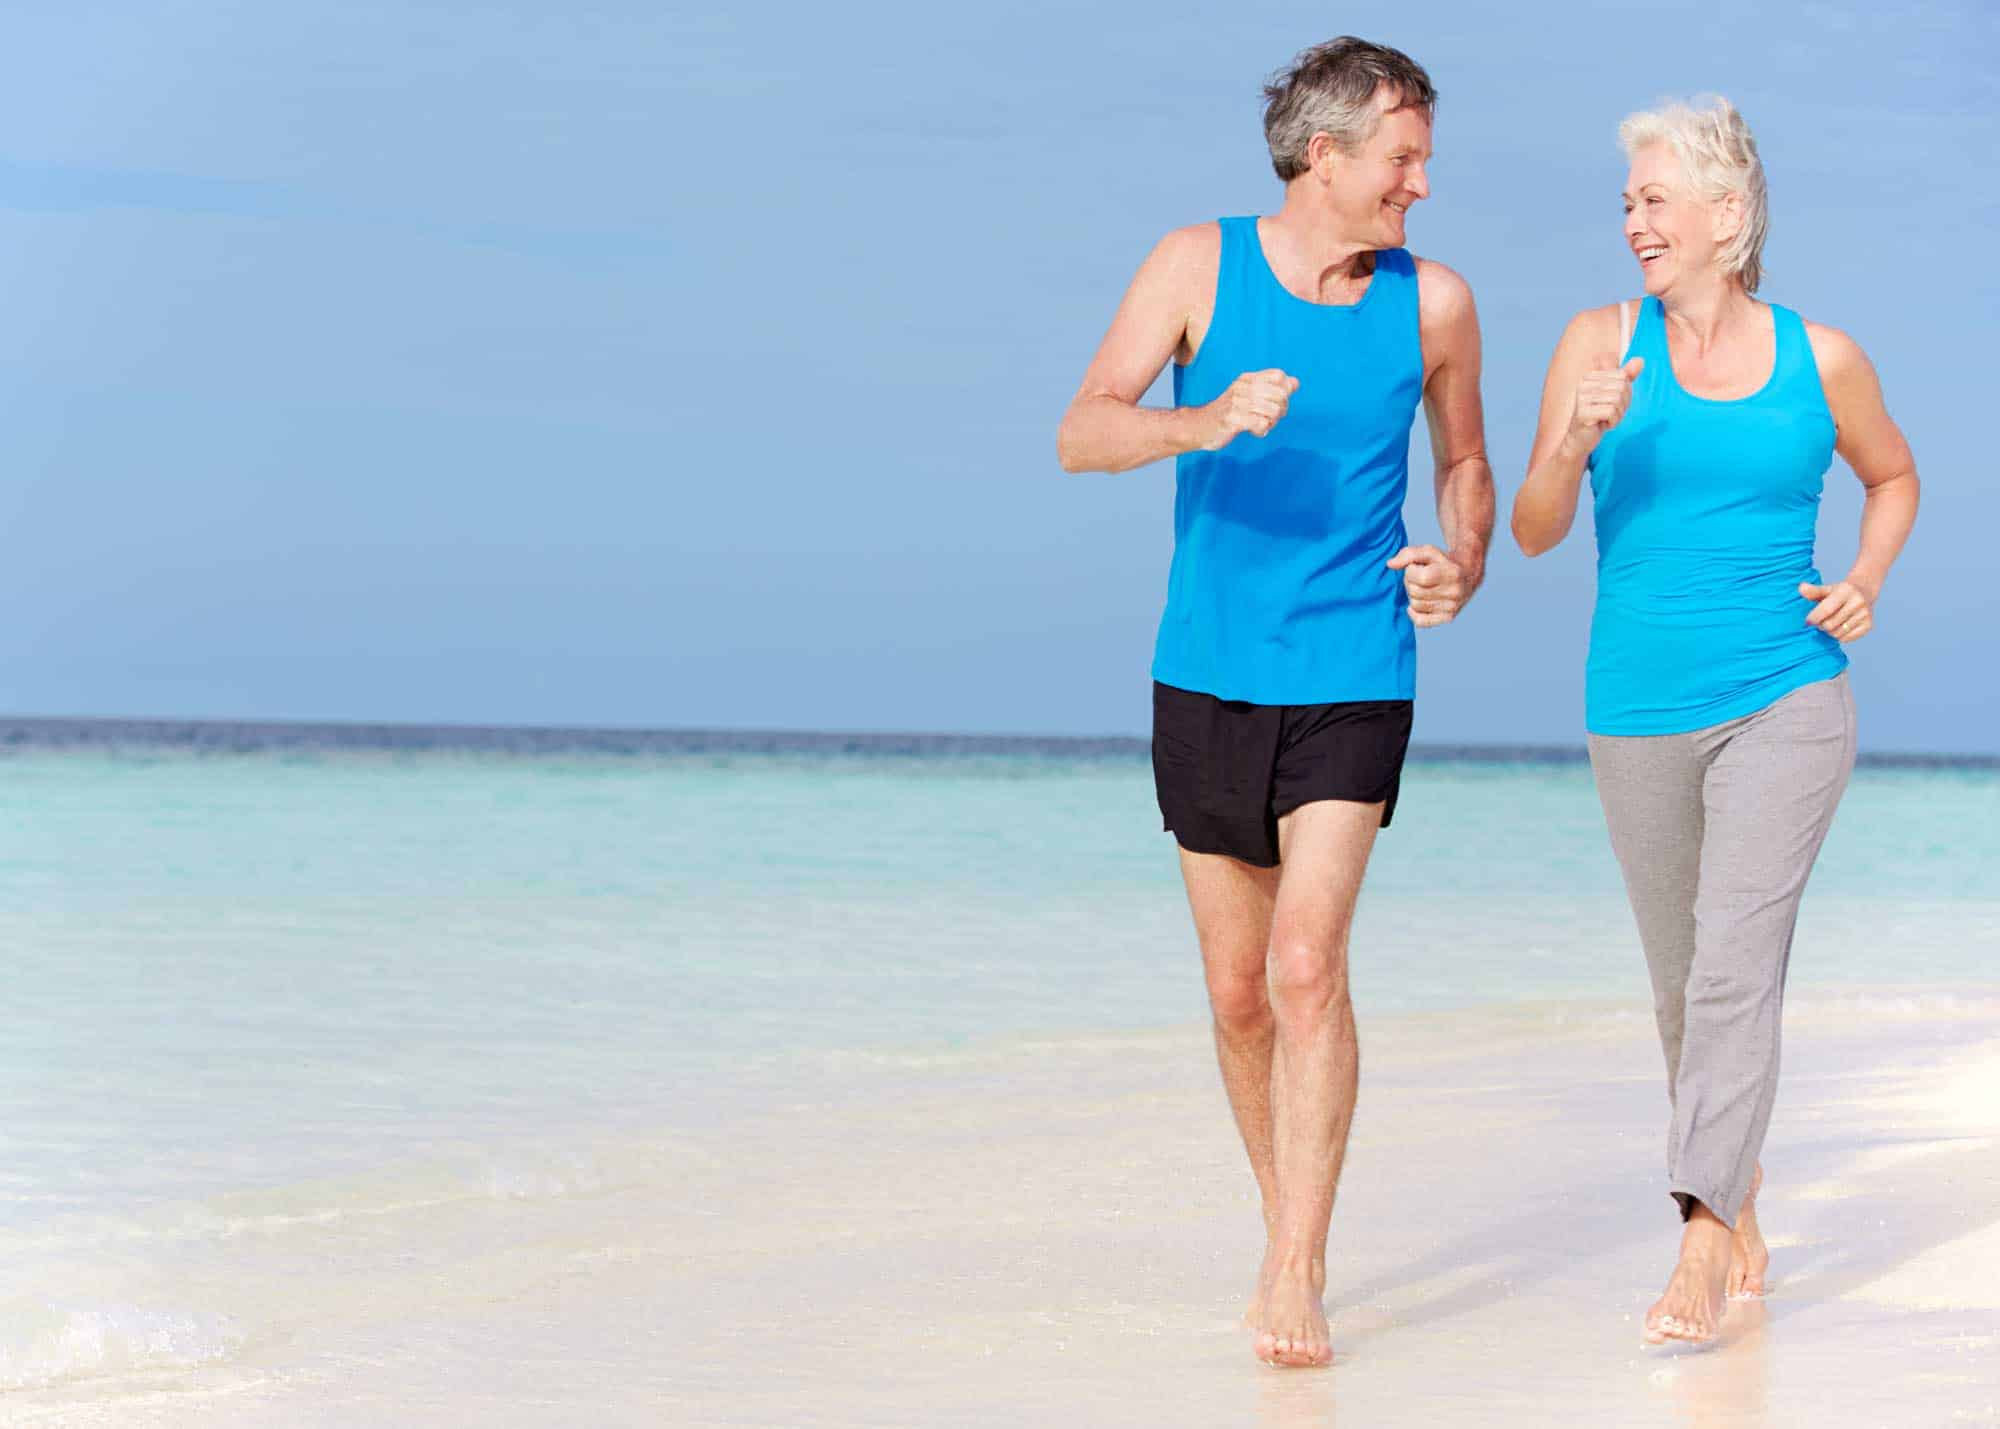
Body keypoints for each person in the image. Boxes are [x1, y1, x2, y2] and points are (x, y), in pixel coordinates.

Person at [1056, 37, 1494, 1368]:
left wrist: (1459, 561)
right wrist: (1204, 422)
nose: (1420, 184)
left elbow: (1465, 463)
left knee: (1308, 967)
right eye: (1403, 159)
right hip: (1205, 673)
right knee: (1240, 992)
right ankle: (1283, 1221)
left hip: (1356, 667)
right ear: (1328, 155)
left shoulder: (1436, 305)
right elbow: (1084, 430)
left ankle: (1301, 1263)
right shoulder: (1196, 266)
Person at [1511, 96, 1919, 1344]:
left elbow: (1891, 476)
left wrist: (1862, 580)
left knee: (1737, 965)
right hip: (1632, 707)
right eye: (1627, 200)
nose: (1633, 221)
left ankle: (1695, 1229)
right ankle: (1735, 1188)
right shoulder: (1594, 342)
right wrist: (1573, 438)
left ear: (1725, 216)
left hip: (1786, 693)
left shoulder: (1823, 358)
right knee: (1684, 988)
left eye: (1653, 199)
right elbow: (1531, 530)